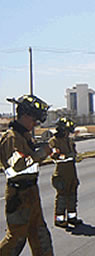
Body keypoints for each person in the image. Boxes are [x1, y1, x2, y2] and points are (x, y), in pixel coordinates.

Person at [0, 95, 53, 255]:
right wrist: (41, 153)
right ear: (25, 115)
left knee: (41, 237)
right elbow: (18, 165)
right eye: (34, 119)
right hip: (18, 196)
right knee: (16, 239)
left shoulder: (25, 136)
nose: (36, 124)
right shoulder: (12, 138)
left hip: (31, 193)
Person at [49, 117, 83, 228]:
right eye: (67, 131)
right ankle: (59, 219)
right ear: (63, 130)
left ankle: (72, 217)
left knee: (72, 196)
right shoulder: (54, 141)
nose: (68, 134)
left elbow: (74, 153)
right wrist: (66, 156)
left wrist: (76, 156)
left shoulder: (69, 141)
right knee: (62, 197)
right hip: (61, 174)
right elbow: (55, 155)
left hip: (71, 174)